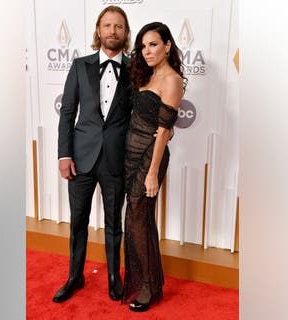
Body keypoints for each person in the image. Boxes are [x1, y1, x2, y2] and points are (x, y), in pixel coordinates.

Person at [53, 6, 132, 303]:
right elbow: (67, 114)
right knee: (78, 221)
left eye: (119, 26)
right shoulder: (79, 66)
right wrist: (64, 155)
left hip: (116, 159)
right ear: (98, 31)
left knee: (114, 222)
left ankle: (114, 276)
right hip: (81, 158)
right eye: (107, 25)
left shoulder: (136, 69)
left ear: (125, 33)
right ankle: (75, 275)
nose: (113, 31)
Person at [122, 22, 185, 312]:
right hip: (131, 155)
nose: (147, 51)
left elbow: (163, 131)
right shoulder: (147, 73)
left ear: (168, 46)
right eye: (143, 46)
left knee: (138, 219)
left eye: (153, 44)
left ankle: (148, 287)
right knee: (137, 219)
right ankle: (149, 282)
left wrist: (151, 173)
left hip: (150, 157)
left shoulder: (172, 80)